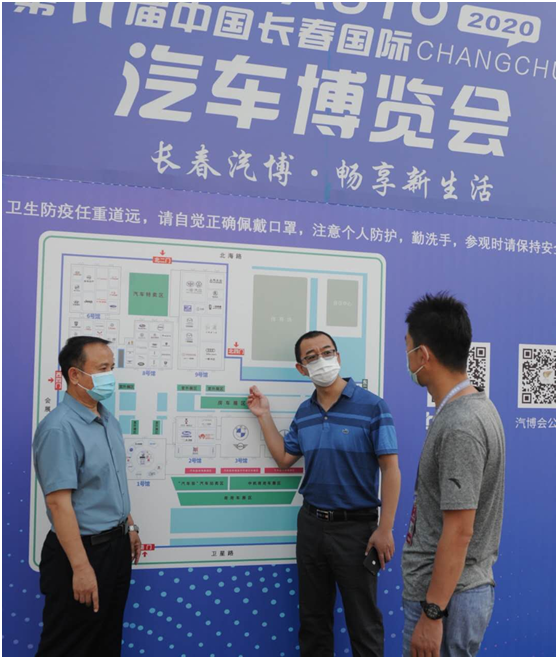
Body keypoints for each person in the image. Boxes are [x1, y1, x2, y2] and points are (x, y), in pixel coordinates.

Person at [247, 331, 400, 657]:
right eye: (312, 357)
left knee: (364, 623)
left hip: (357, 529)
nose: (322, 360)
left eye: (327, 352)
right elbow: (284, 457)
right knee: (313, 621)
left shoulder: (373, 407)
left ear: (338, 356)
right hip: (312, 525)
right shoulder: (305, 412)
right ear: (301, 368)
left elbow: (391, 470)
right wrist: (264, 415)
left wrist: (385, 528)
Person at [402, 293, 505, 657]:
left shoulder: (461, 424)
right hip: (450, 597)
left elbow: (460, 531)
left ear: (424, 355)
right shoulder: (470, 409)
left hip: (447, 603)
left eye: (408, 348)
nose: (407, 358)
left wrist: (432, 613)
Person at [33, 336, 142, 657]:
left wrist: (129, 525)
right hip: (81, 553)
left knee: (106, 641)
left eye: (112, 368)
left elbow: (110, 482)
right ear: (75, 375)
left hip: (116, 547)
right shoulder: (59, 428)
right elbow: (58, 503)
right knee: (69, 645)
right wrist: (81, 568)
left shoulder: (106, 419)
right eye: (102, 368)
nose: (110, 376)